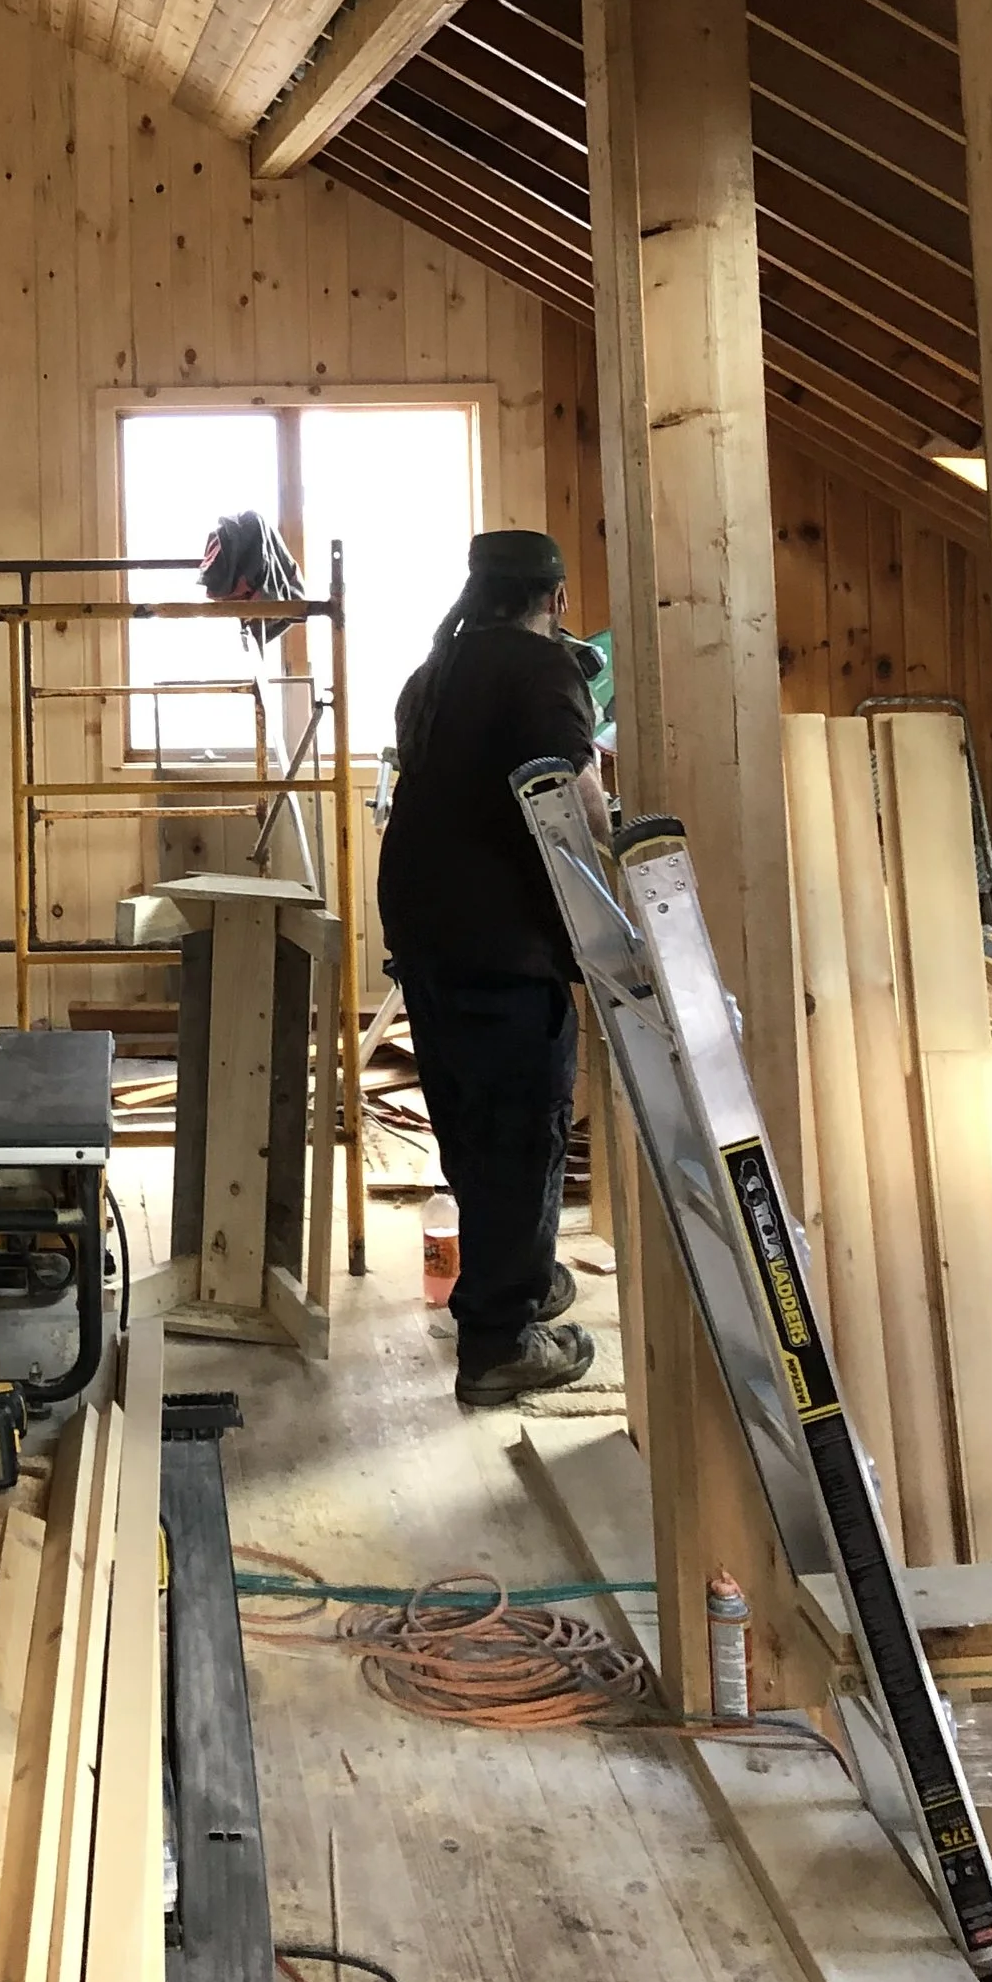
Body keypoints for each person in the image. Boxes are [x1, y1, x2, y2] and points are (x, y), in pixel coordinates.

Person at [375, 528, 614, 1406]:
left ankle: (518, 1276)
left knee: (473, 1125)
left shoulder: (432, 673)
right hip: (500, 942)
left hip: (430, 934)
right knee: (522, 1128)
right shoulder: (540, 669)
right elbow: (568, 790)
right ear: (552, 599)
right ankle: (501, 1340)